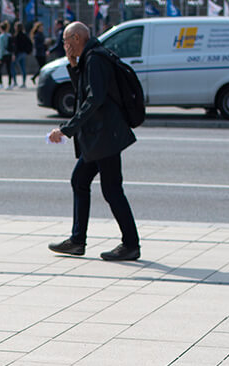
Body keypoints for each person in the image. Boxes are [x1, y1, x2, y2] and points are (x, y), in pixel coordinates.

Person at [46, 21, 139, 262]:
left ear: (77, 38)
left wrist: (67, 129)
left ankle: (130, 244)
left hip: (104, 136)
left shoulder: (96, 59)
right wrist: (74, 66)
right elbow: (85, 93)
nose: (65, 47)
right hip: (100, 136)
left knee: (111, 189)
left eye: (66, 42)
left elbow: (94, 99)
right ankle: (78, 241)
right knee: (81, 181)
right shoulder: (89, 57)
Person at [13, 21, 32, 86]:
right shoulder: (25, 35)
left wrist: (14, 54)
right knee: (23, 68)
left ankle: (15, 82)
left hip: (18, 53)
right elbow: (30, 43)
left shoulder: (16, 35)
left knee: (12, 66)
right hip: (24, 53)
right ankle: (24, 83)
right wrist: (28, 51)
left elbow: (15, 46)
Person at [0, 21, 12, 87]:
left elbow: (1, 47)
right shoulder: (9, 35)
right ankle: (9, 83)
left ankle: (0, 83)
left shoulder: (1, 37)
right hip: (9, 54)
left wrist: (0, 57)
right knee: (8, 69)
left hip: (3, 55)